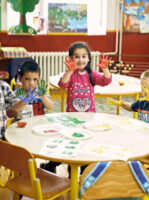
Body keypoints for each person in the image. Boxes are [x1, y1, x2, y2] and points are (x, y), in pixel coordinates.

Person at [41, 41, 112, 174]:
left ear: (89, 58)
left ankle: (84, 171)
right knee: (70, 144)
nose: (81, 60)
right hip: (72, 118)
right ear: (71, 58)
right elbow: (62, 85)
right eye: (77, 56)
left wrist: (105, 69)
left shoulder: (92, 74)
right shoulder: (72, 75)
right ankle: (54, 166)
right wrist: (69, 71)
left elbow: (106, 81)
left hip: (89, 118)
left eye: (84, 56)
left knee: (86, 144)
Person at [107, 69, 149, 176]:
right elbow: (131, 107)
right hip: (142, 140)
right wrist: (121, 103)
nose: (145, 91)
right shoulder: (142, 101)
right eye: (143, 87)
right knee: (122, 153)